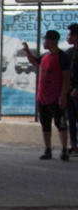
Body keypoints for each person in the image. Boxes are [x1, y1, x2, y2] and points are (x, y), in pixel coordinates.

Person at [23, 30, 70, 161]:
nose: (44, 42)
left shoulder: (62, 57)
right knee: (45, 124)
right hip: (42, 98)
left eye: (46, 40)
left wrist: (63, 95)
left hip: (56, 98)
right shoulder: (44, 56)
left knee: (61, 124)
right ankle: (47, 149)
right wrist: (27, 51)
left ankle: (64, 149)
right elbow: (34, 62)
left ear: (52, 41)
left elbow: (66, 77)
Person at [64, 23, 78, 154]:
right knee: (71, 120)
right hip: (70, 92)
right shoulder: (69, 53)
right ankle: (74, 145)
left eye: (69, 34)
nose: (67, 37)